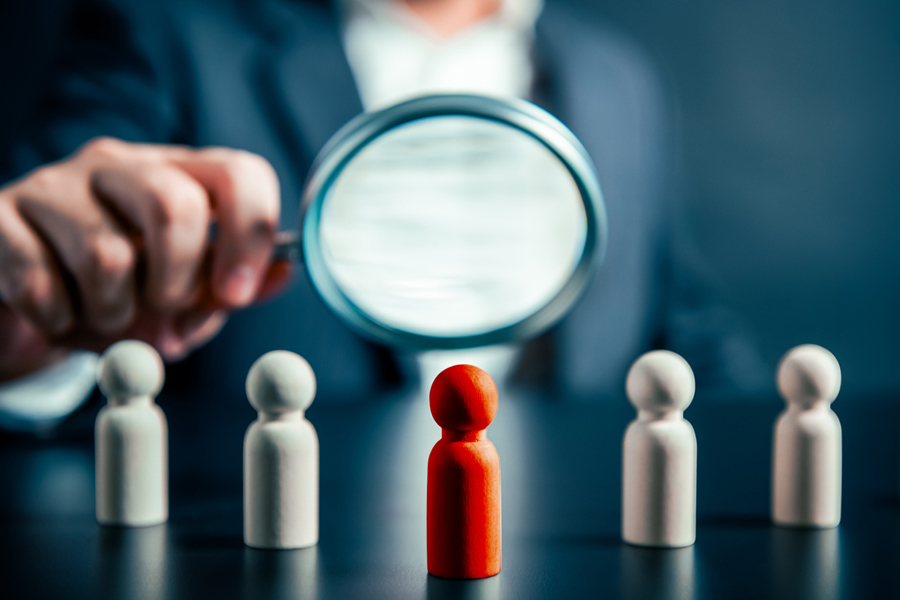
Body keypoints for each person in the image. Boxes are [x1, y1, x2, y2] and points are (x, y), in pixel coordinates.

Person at [0, 0, 766, 429]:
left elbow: (683, 326)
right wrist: (27, 328)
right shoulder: (163, 33)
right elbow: (49, 254)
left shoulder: (618, 77)